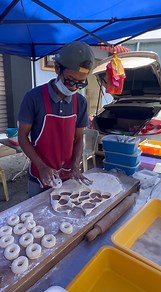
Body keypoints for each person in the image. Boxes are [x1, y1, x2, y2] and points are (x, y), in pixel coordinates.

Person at [18, 41, 95, 197]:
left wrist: (75, 165)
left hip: (67, 175)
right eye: (70, 80)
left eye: (80, 83)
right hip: (39, 176)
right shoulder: (34, 98)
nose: (73, 87)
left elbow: (79, 138)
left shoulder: (80, 103)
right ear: (57, 68)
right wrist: (41, 167)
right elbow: (22, 137)